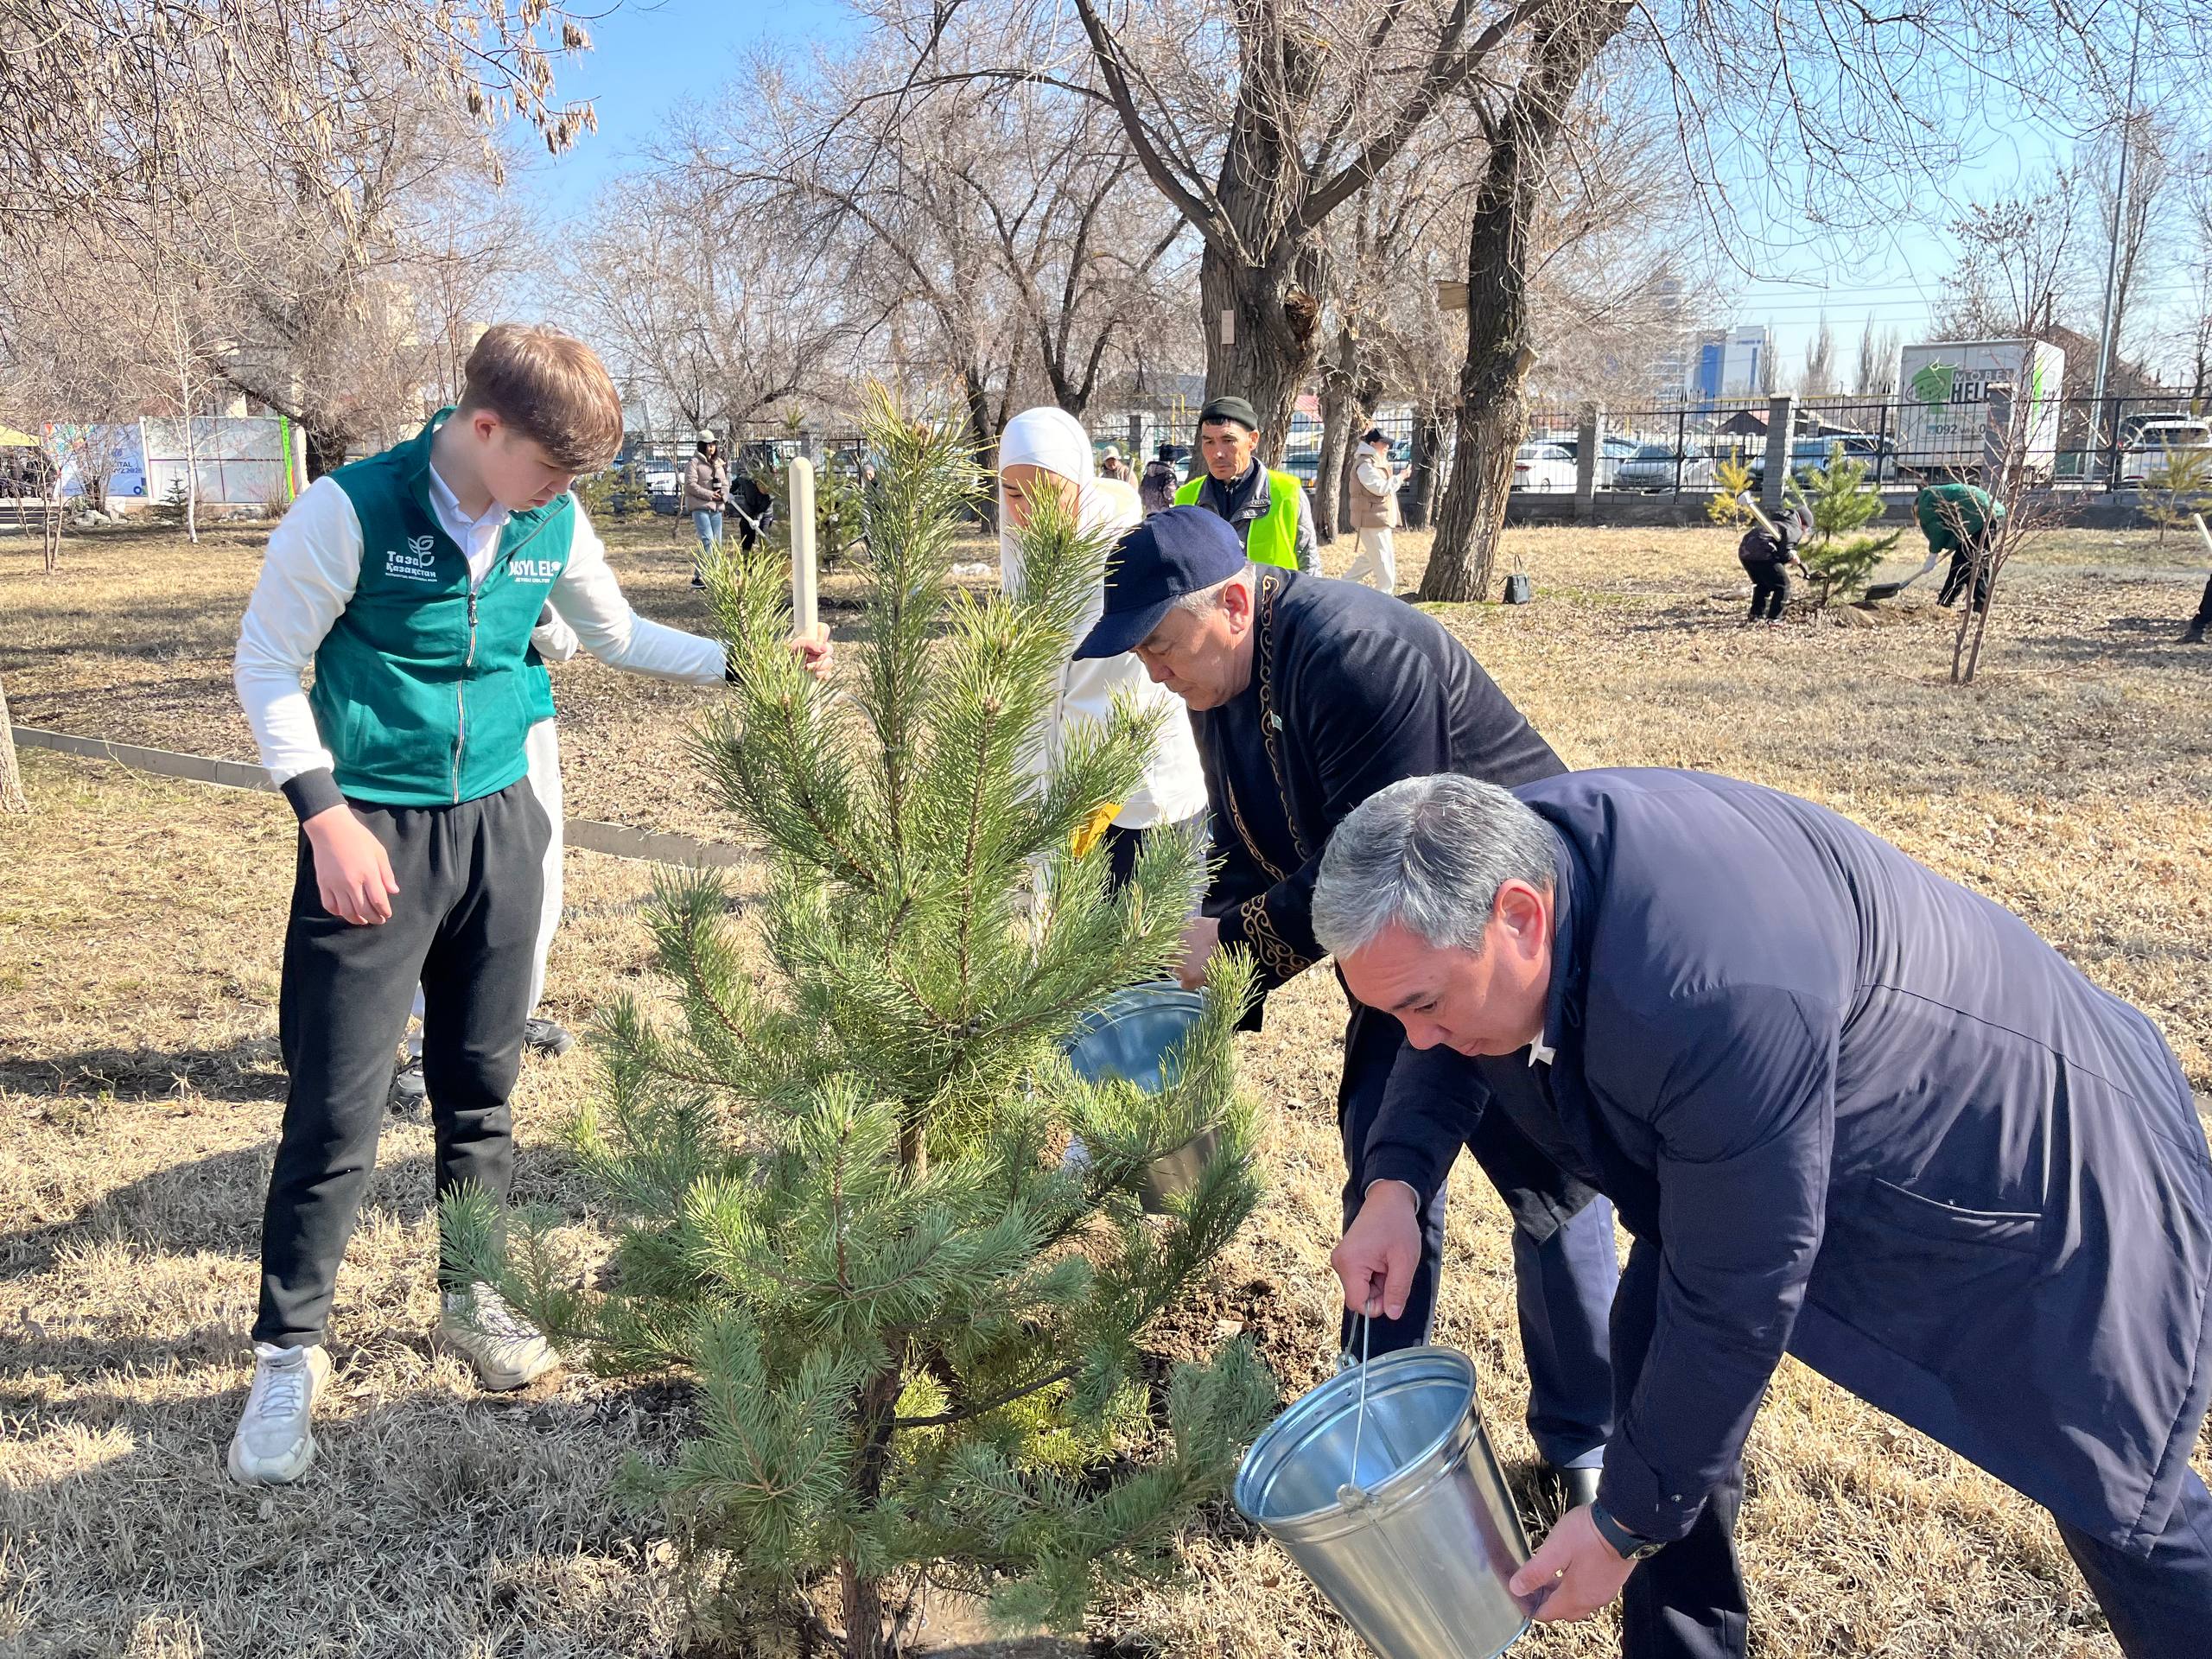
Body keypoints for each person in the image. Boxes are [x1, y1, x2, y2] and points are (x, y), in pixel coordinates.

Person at [1320, 770, 2212, 1659]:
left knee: (2109, 1479)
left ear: (1519, 918)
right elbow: (1438, 1028)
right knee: (1654, 1385)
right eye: (1395, 1011)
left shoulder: (1707, 992)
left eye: (1424, 1006)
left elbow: (1735, 1291)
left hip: (2036, 1168)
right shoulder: (1514, 875)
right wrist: (1395, 1182)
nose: (1419, 1037)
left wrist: (1624, 1523)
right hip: (1809, 1119)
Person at [227, 324, 807, 1485]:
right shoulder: (347, 514)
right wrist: (325, 818)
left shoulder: (551, 517)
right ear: (481, 427)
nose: (561, 494)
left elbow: (616, 634)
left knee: (480, 1087)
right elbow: (263, 665)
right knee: (336, 1112)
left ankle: (475, 1292)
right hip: (372, 835)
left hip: (502, 825)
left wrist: (750, 661)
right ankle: (289, 1354)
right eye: (550, 467)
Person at [1072, 506, 1619, 1503]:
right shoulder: (1221, 677)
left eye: (1159, 641)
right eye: (1137, 650)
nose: (1151, 669)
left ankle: (1585, 1438)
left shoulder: (1356, 654)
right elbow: (1256, 834)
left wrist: (1235, 943)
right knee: (1385, 1165)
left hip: (1504, 949)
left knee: (1547, 1184)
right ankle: (1374, 1412)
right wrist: (1198, 950)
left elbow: (1377, 862)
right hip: (1403, 958)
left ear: (1232, 603)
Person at [997, 409, 1207, 886]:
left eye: (1048, 493)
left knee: (1155, 947)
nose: (1029, 511)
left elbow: (1129, 690)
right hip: (1062, 796)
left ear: (1079, 481)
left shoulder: (1127, 555)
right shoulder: (1020, 556)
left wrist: (1078, 788)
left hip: (1141, 793)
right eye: (1013, 494)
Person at [1173, 396, 1318, 574]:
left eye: (1228, 440)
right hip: (1210, 601)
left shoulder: (1287, 492)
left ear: (1253, 440)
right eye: (1209, 442)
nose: (1217, 453)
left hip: (1273, 600)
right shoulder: (1186, 497)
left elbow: (1310, 567)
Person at [1915, 474, 2003, 612]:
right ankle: (1979, 604)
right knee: (1977, 560)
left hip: (1980, 517)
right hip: (1994, 513)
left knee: (1962, 561)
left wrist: (1932, 556)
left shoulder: (1925, 505)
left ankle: (1945, 601)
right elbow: (1948, 526)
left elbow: (1938, 531)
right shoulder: (1934, 496)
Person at [1345, 427, 1403, 592]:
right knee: (1384, 557)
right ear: (1372, 444)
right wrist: (1400, 478)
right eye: (1383, 443)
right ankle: (1385, 594)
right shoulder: (1365, 464)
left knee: (1371, 558)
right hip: (1372, 519)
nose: (1387, 447)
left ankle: (1342, 585)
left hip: (1375, 517)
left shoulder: (1374, 462)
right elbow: (1380, 488)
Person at [1734, 503, 1807, 626]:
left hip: (1745, 551)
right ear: (1804, 524)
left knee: (1763, 584)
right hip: (1763, 553)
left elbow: (1779, 547)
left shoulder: (1778, 522)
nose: (1805, 532)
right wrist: (1791, 558)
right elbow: (1784, 553)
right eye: (1807, 529)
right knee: (1783, 585)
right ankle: (1774, 619)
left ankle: (1756, 615)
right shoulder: (1795, 528)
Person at [684, 434, 728, 586]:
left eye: (713, 444)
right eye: (708, 444)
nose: (712, 447)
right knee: (707, 540)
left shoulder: (718, 463)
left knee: (717, 543)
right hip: (700, 508)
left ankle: (715, 576)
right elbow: (690, 485)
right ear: (701, 446)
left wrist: (724, 495)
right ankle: (698, 577)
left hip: (717, 509)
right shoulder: (693, 463)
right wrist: (710, 495)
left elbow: (725, 484)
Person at [733, 442, 777, 552]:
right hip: (748, 512)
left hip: (765, 515)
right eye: (762, 488)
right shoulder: (747, 480)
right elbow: (737, 482)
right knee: (746, 536)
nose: (765, 491)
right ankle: (747, 565)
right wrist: (728, 493)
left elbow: (765, 509)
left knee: (764, 536)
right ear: (758, 482)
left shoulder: (770, 494)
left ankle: (767, 562)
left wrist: (758, 519)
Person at [1139, 442, 1180, 517]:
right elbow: (1171, 497)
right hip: (1164, 516)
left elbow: (1141, 494)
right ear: (1172, 461)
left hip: (1149, 514)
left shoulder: (1147, 475)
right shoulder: (1168, 476)